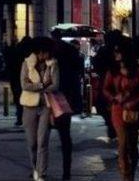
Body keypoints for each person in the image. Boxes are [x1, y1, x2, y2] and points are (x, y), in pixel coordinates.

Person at [103, 41, 139, 181]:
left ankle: (131, 174)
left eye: (118, 51)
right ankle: (125, 175)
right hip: (118, 109)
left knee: (132, 145)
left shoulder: (137, 70)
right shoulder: (113, 71)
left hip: (133, 110)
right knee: (122, 143)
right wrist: (114, 97)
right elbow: (105, 88)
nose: (116, 54)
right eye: (115, 51)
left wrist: (133, 102)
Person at [20, 37, 59, 181]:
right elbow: (24, 85)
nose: (47, 55)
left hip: (46, 106)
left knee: (43, 141)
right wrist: (42, 86)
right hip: (29, 106)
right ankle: (34, 168)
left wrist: (36, 85)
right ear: (39, 51)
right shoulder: (27, 64)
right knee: (32, 142)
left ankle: (41, 172)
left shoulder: (53, 64)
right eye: (45, 52)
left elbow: (56, 85)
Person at [53, 37, 84, 180]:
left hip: (56, 99)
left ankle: (39, 167)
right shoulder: (73, 61)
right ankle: (67, 172)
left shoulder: (57, 62)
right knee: (65, 138)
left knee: (42, 138)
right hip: (66, 101)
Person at [93, 30, 122, 142]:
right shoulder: (112, 50)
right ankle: (113, 128)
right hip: (112, 82)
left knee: (103, 106)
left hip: (110, 82)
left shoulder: (106, 50)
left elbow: (96, 64)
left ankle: (113, 128)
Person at [6, 36, 31, 126]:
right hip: (28, 79)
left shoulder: (16, 50)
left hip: (16, 78)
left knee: (19, 99)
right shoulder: (30, 53)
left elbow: (10, 64)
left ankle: (20, 118)